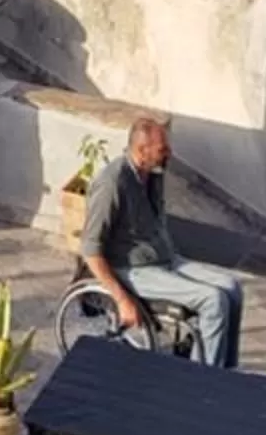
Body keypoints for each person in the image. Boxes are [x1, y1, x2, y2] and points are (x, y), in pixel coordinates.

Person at [79, 114, 245, 368]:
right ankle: (201, 378)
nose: (169, 153)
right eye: (163, 149)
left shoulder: (153, 173)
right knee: (213, 300)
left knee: (232, 288)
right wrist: (122, 299)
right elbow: (91, 249)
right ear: (142, 150)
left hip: (163, 257)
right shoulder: (112, 183)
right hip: (133, 268)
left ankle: (225, 368)